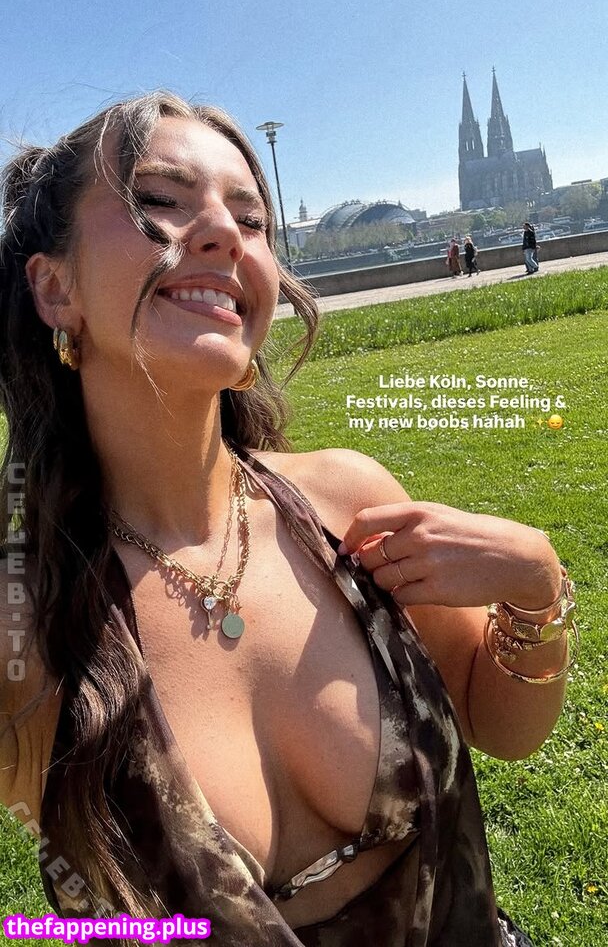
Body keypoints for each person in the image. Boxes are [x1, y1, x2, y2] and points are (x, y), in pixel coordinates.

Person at [0, 93, 576, 946]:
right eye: (158, 199)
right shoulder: (28, 618)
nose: (223, 232)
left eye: (251, 220)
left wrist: (537, 589)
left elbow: (503, 728)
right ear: (55, 287)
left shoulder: (348, 505)